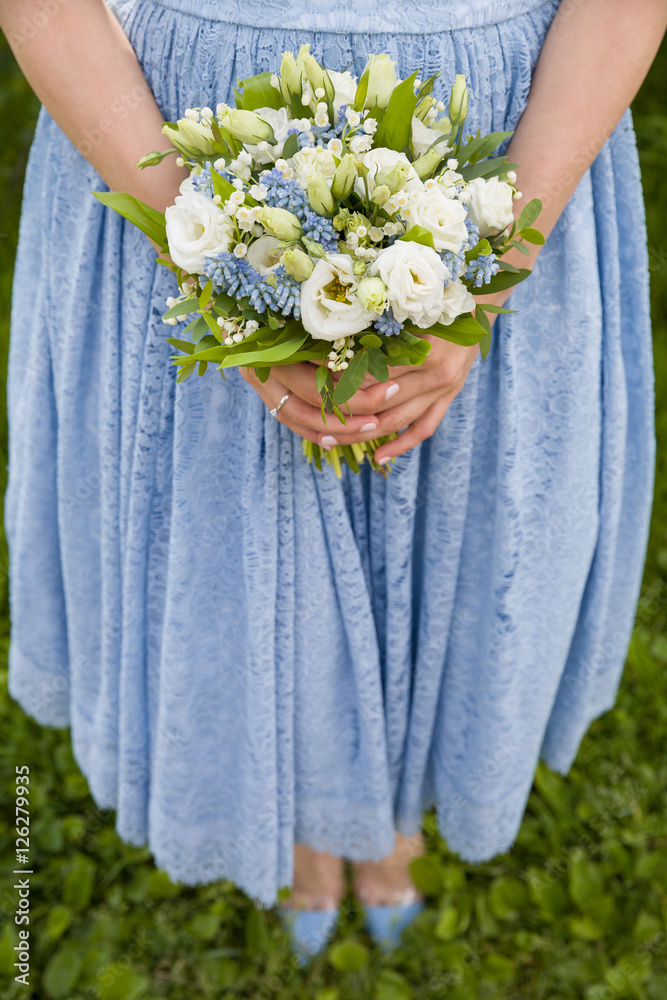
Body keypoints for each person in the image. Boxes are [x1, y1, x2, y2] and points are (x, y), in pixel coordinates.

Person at [2, 0, 664, 965]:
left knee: (462, 526)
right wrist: (218, 270)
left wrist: (485, 276)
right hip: (180, 136)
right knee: (237, 541)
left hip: (500, 143)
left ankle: (393, 816)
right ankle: (314, 828)